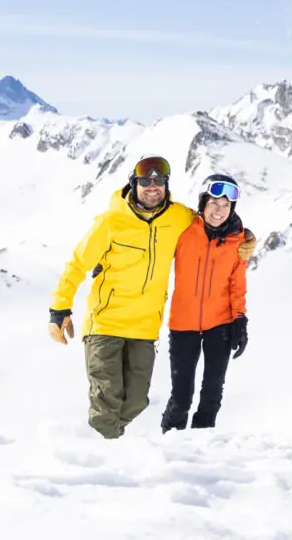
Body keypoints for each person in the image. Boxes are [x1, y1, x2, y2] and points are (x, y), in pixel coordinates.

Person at [50, 156, 196, 439]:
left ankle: (94, 445)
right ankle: (95, 462)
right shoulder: (111, 222)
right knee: (107, 404)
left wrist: (244, 237)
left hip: (144, 328)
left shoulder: (180, 218)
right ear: (134, 184)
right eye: (145, 182)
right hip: (105, 324)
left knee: (137, 401)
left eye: (159, 182)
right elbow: (77, 264)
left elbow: (213, 224)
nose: (152, 187)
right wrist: (59, 309)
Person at [163, 173, 256, 431]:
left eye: (226, 205)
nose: (219, 210)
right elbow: (152, 248)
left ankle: (199, 450)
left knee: (212, 395)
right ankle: (169, 443)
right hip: (183, 324)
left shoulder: (239, 240)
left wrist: (240, 318)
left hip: (221, 324)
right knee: (181, 398)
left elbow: (238, 284)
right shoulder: (184, 230)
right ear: (203, 202)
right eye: (214, 202)